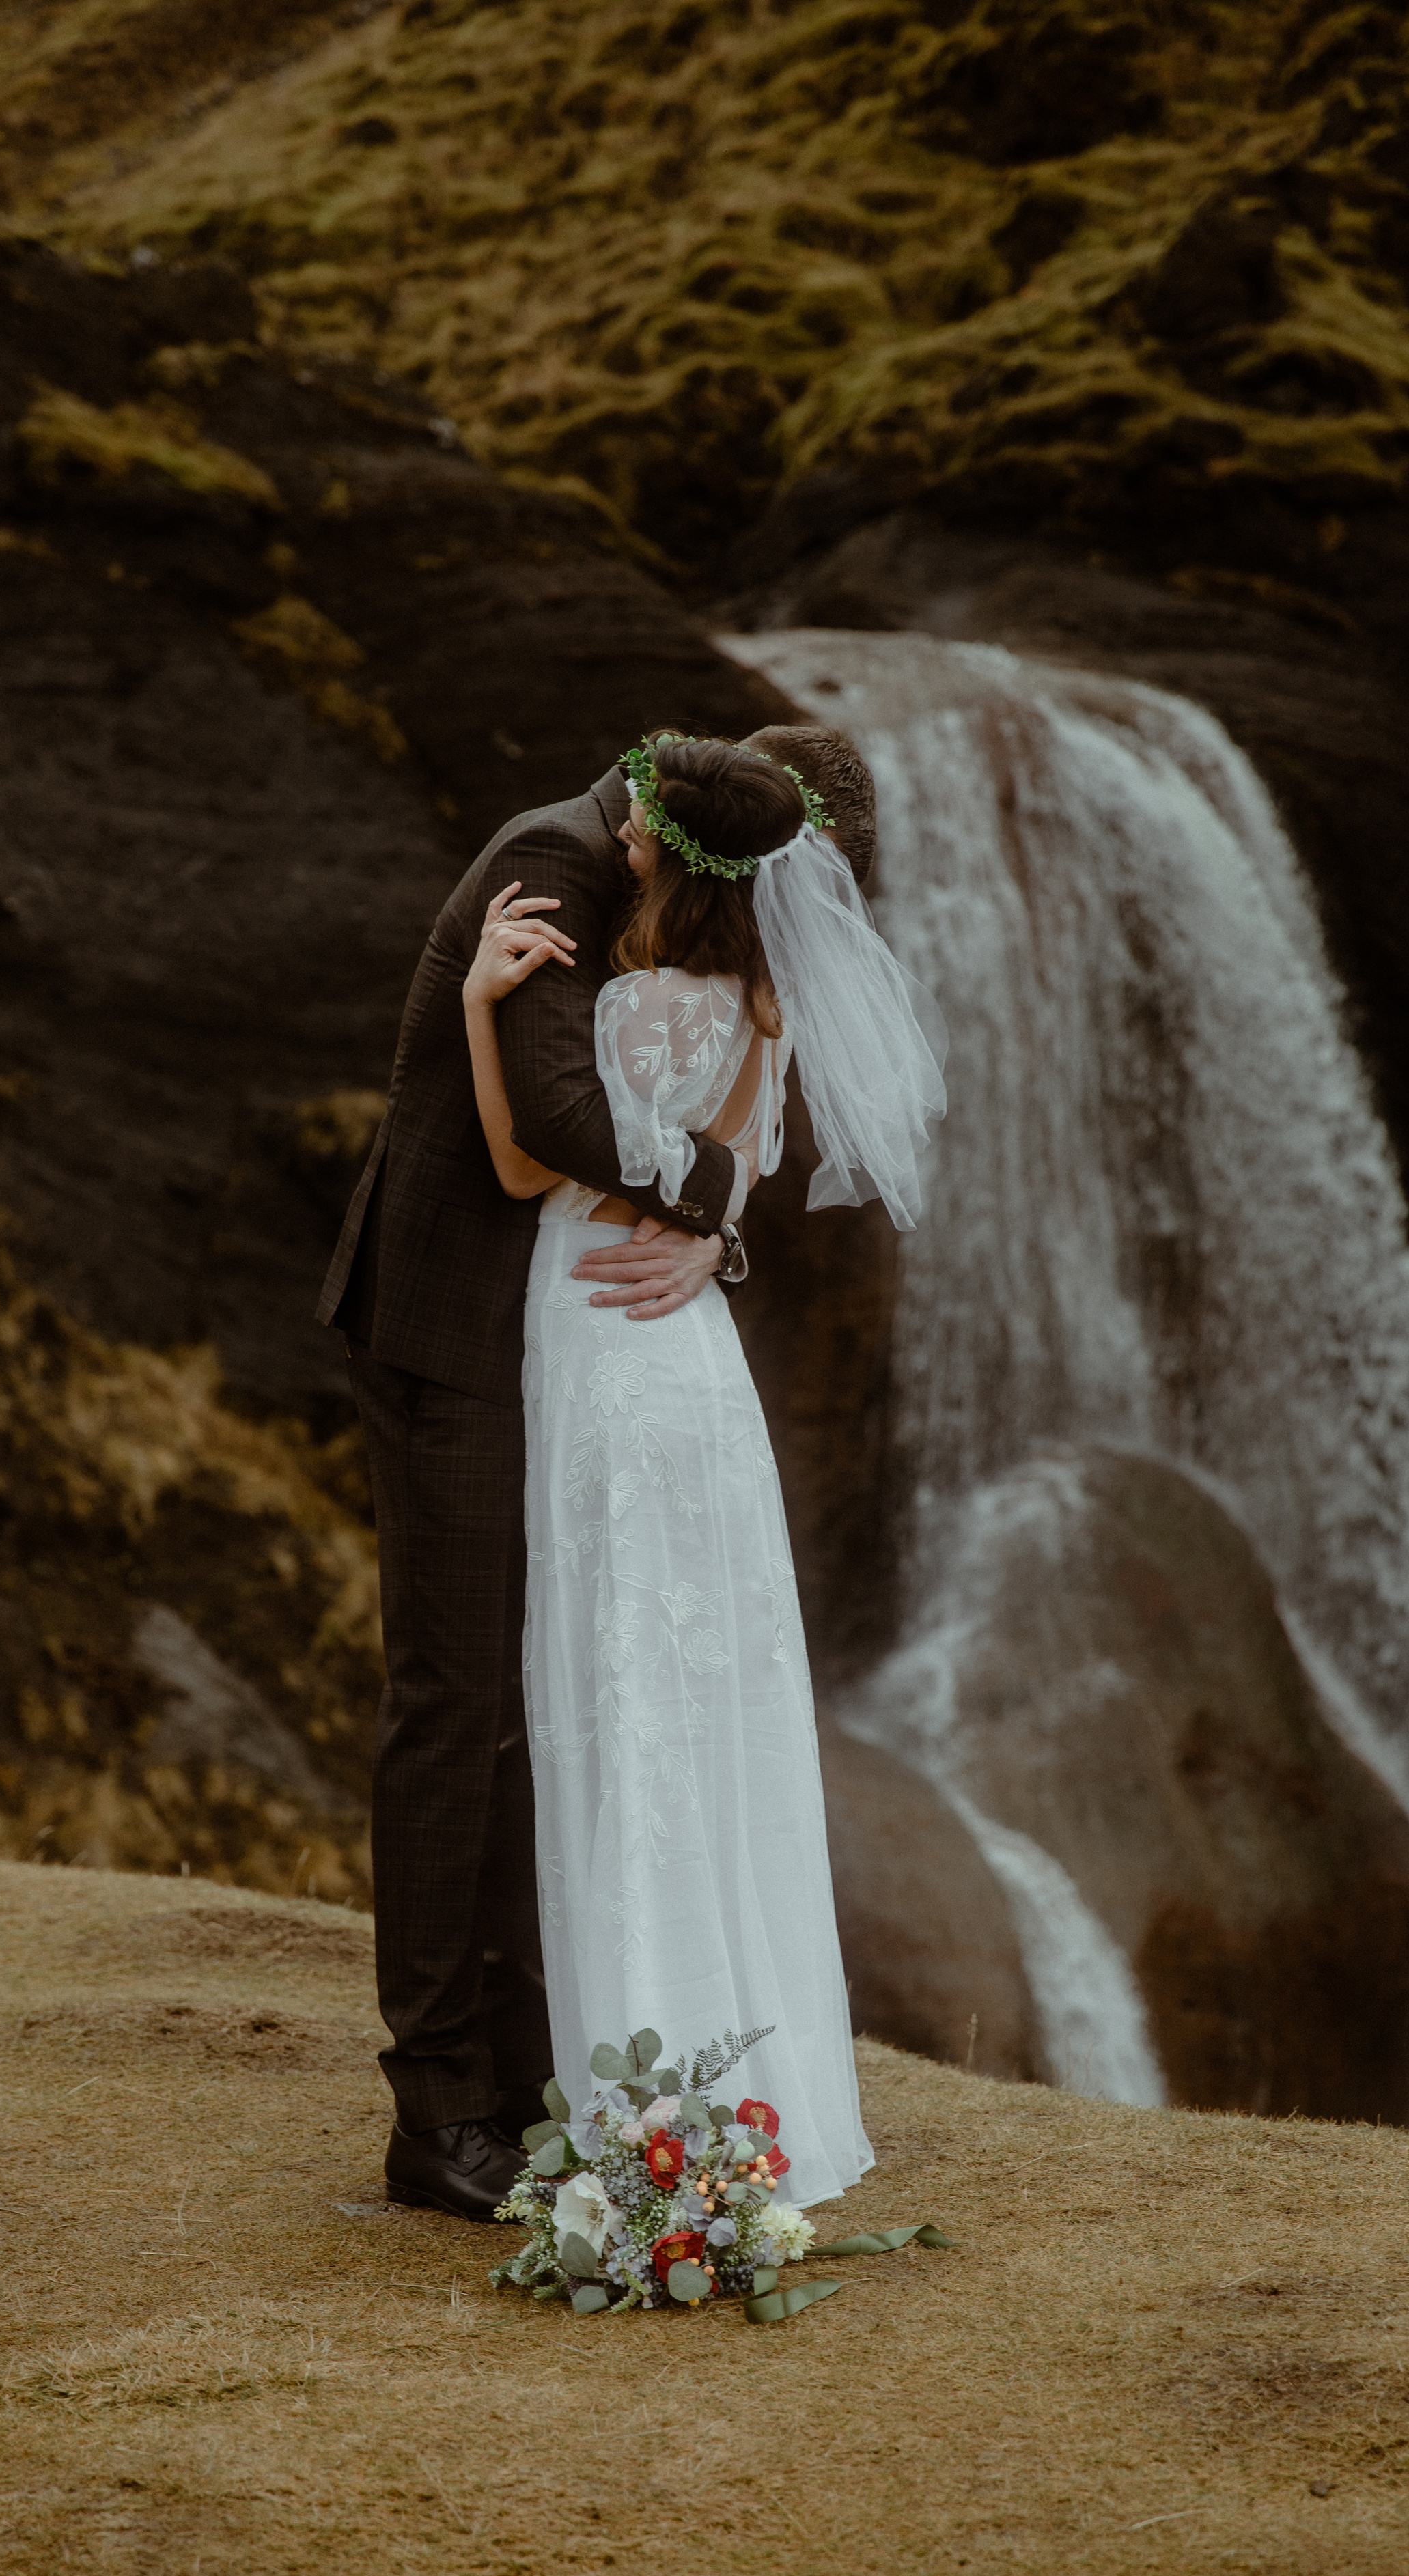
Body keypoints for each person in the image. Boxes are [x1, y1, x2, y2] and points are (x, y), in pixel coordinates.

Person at [320, 728, 835, 2220]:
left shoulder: (650, 890)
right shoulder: (552, 863)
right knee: (455, 1706)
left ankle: (528, 2054)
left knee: (540, 1705)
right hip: (456, 1340)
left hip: (567, 1345)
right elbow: (547, 1127)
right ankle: (435, 2108)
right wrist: (720, 1203)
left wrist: (713, 1222)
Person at [459, 731, 945, 2207]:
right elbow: (725, 1177)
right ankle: (748, 2084)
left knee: (607, 1693)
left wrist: (487, 1011)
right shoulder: (765, 1005)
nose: (619, 841)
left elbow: (520, 1166)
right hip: (697, 1362)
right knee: (707, 1692)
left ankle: (641, 2089)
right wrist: (710, 1230)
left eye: (641, 827)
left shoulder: (617, 1006)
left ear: (672, 853)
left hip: (596, 1343)